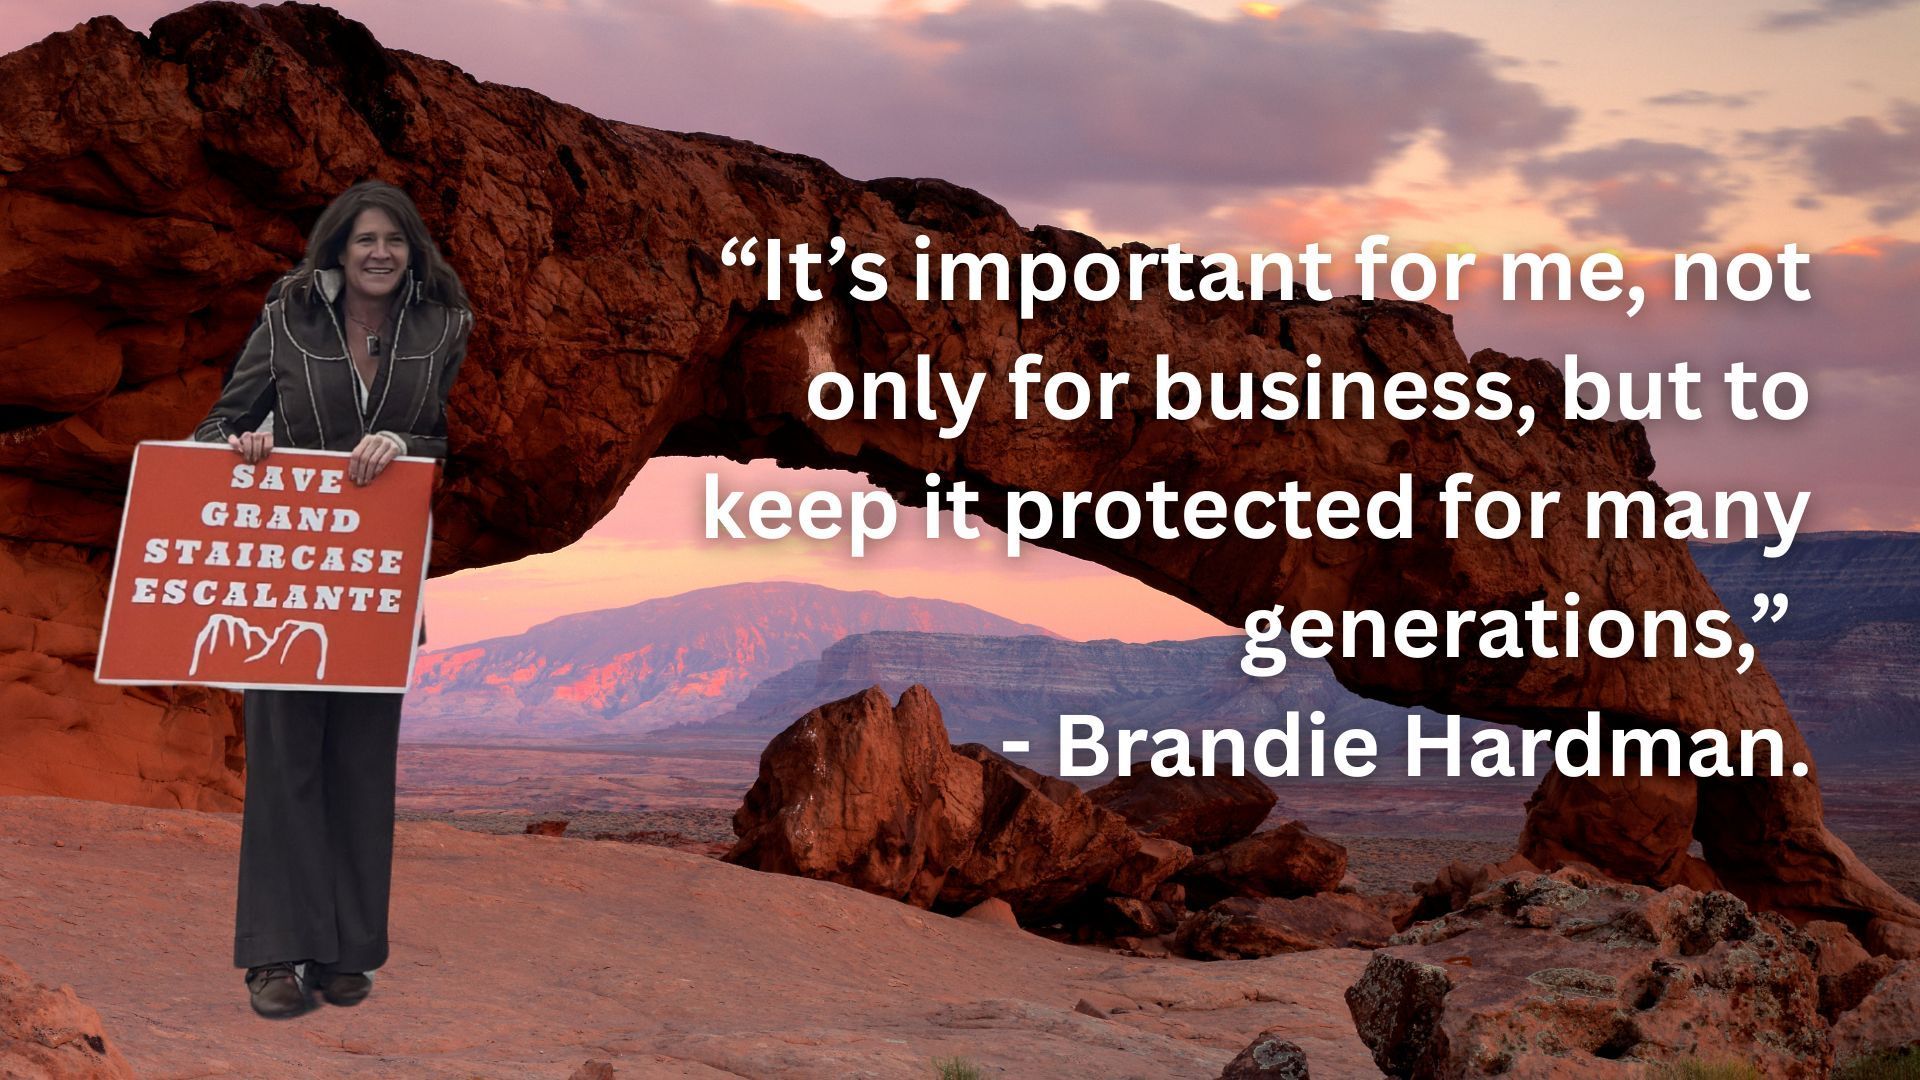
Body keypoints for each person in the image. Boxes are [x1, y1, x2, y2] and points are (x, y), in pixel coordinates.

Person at [190, 179, 473, 1019]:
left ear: (411, 250)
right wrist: (249, 443)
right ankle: (274, 958)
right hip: (284, 578)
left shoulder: (442, 327)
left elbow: (443, 441)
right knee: (284, 767)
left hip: (377, 580)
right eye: (363, 241)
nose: (379, 252)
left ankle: (347, 956)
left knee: (358, 767)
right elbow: (217, 427)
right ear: (337, 253)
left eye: (393, 239)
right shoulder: (288, 319)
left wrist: (407, 441)